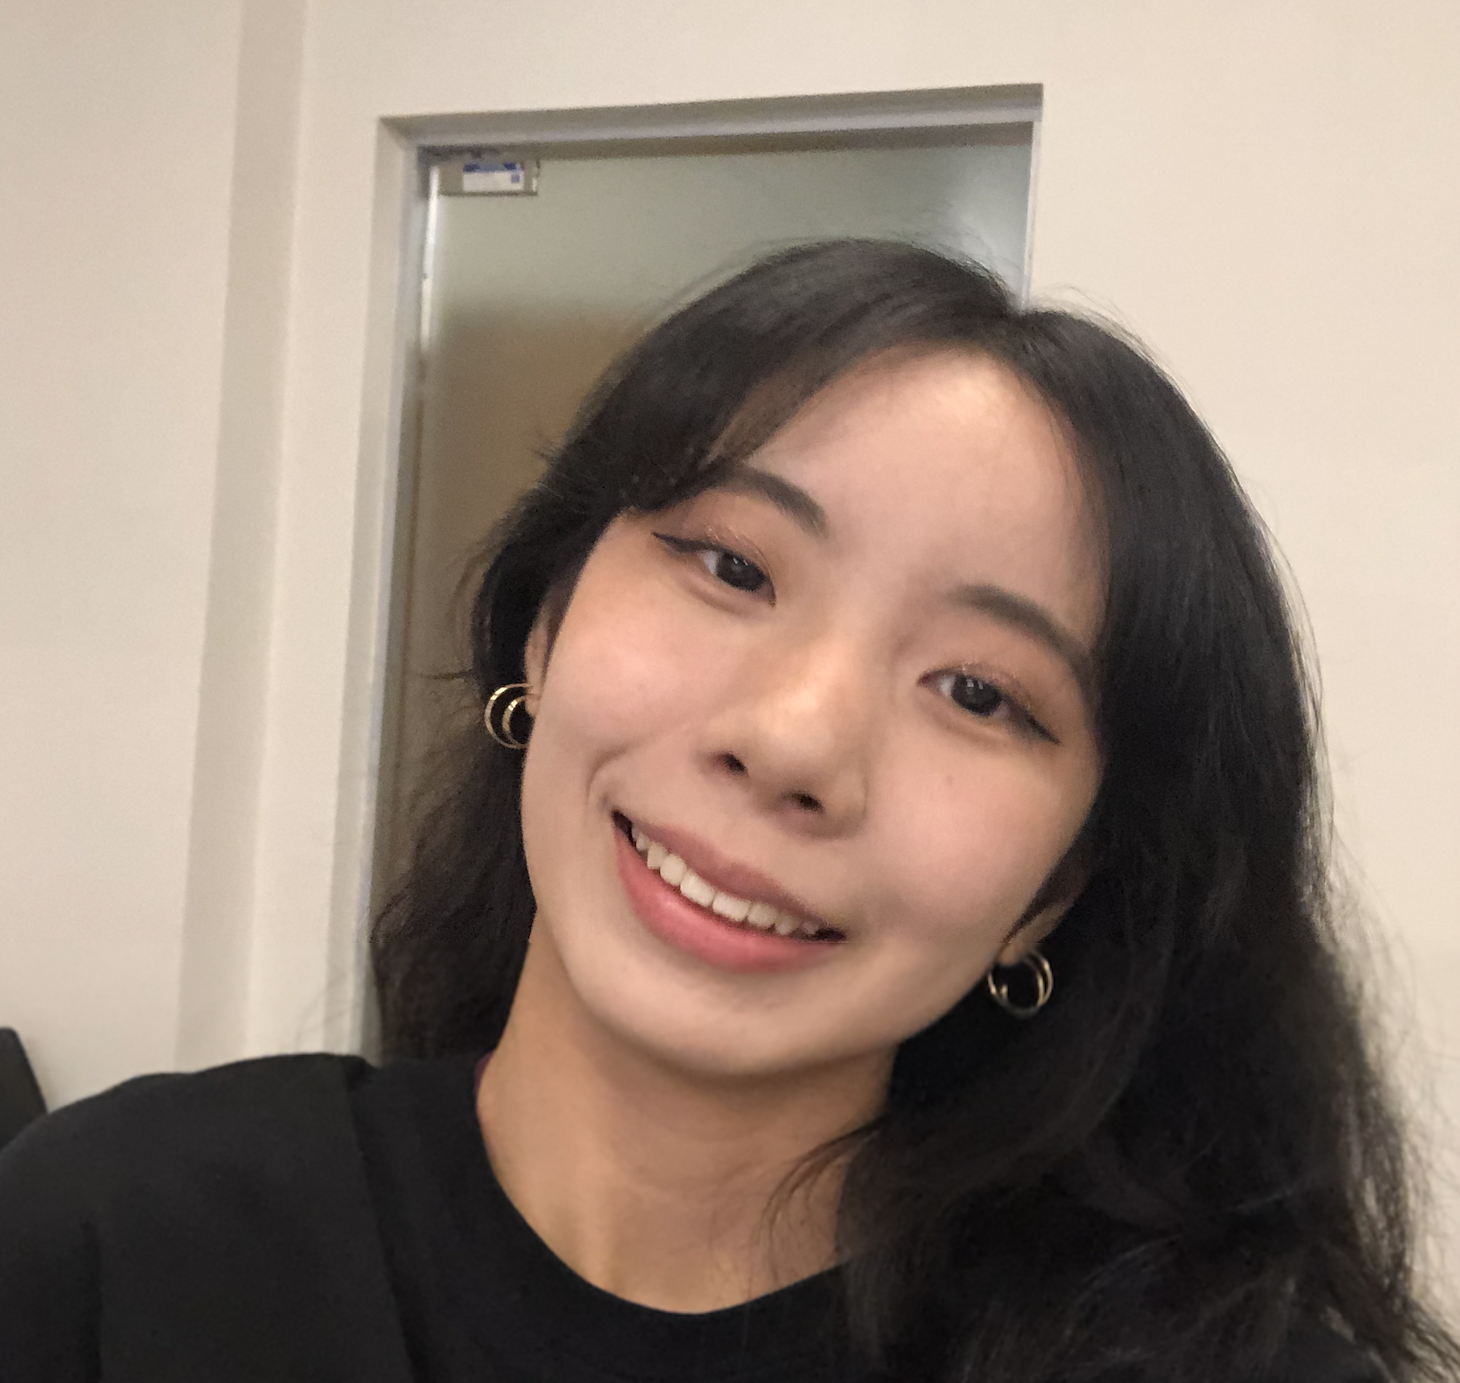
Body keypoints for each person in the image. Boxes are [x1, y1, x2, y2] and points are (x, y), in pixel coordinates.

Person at [0, 240, 1455, 1383]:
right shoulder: (113, 1245)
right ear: (544, 630)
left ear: (1059, 890)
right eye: (734, 568)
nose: (792, 740)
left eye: (978, 692)